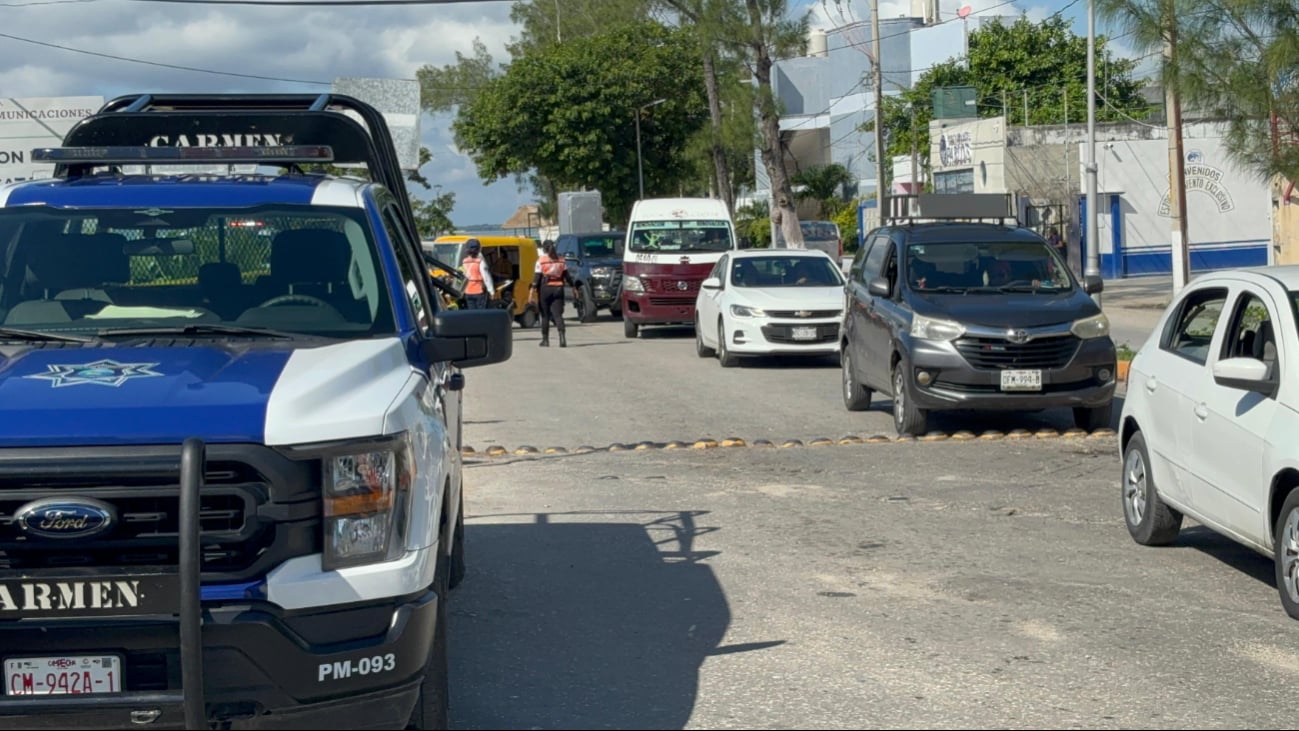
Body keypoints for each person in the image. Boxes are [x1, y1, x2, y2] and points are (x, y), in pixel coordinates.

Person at [530, 240, 578, 347]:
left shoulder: (541, 261)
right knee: (558, 315)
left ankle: (545, 340)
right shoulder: (561, 260)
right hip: (558, 289)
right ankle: (562, 338)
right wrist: (573, 287)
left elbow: (537, 278)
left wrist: (532, 290)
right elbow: (567, 276)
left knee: (545, 315)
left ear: (544, 249)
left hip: (545, 289)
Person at [459, 238, 493, 310]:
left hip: (468, 291)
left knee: (472, 313)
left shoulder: (464, 262)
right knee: (480, 313)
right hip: (479, 291)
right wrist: (491, 291)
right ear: (478, 250)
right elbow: (486, 278)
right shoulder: (480, 262)